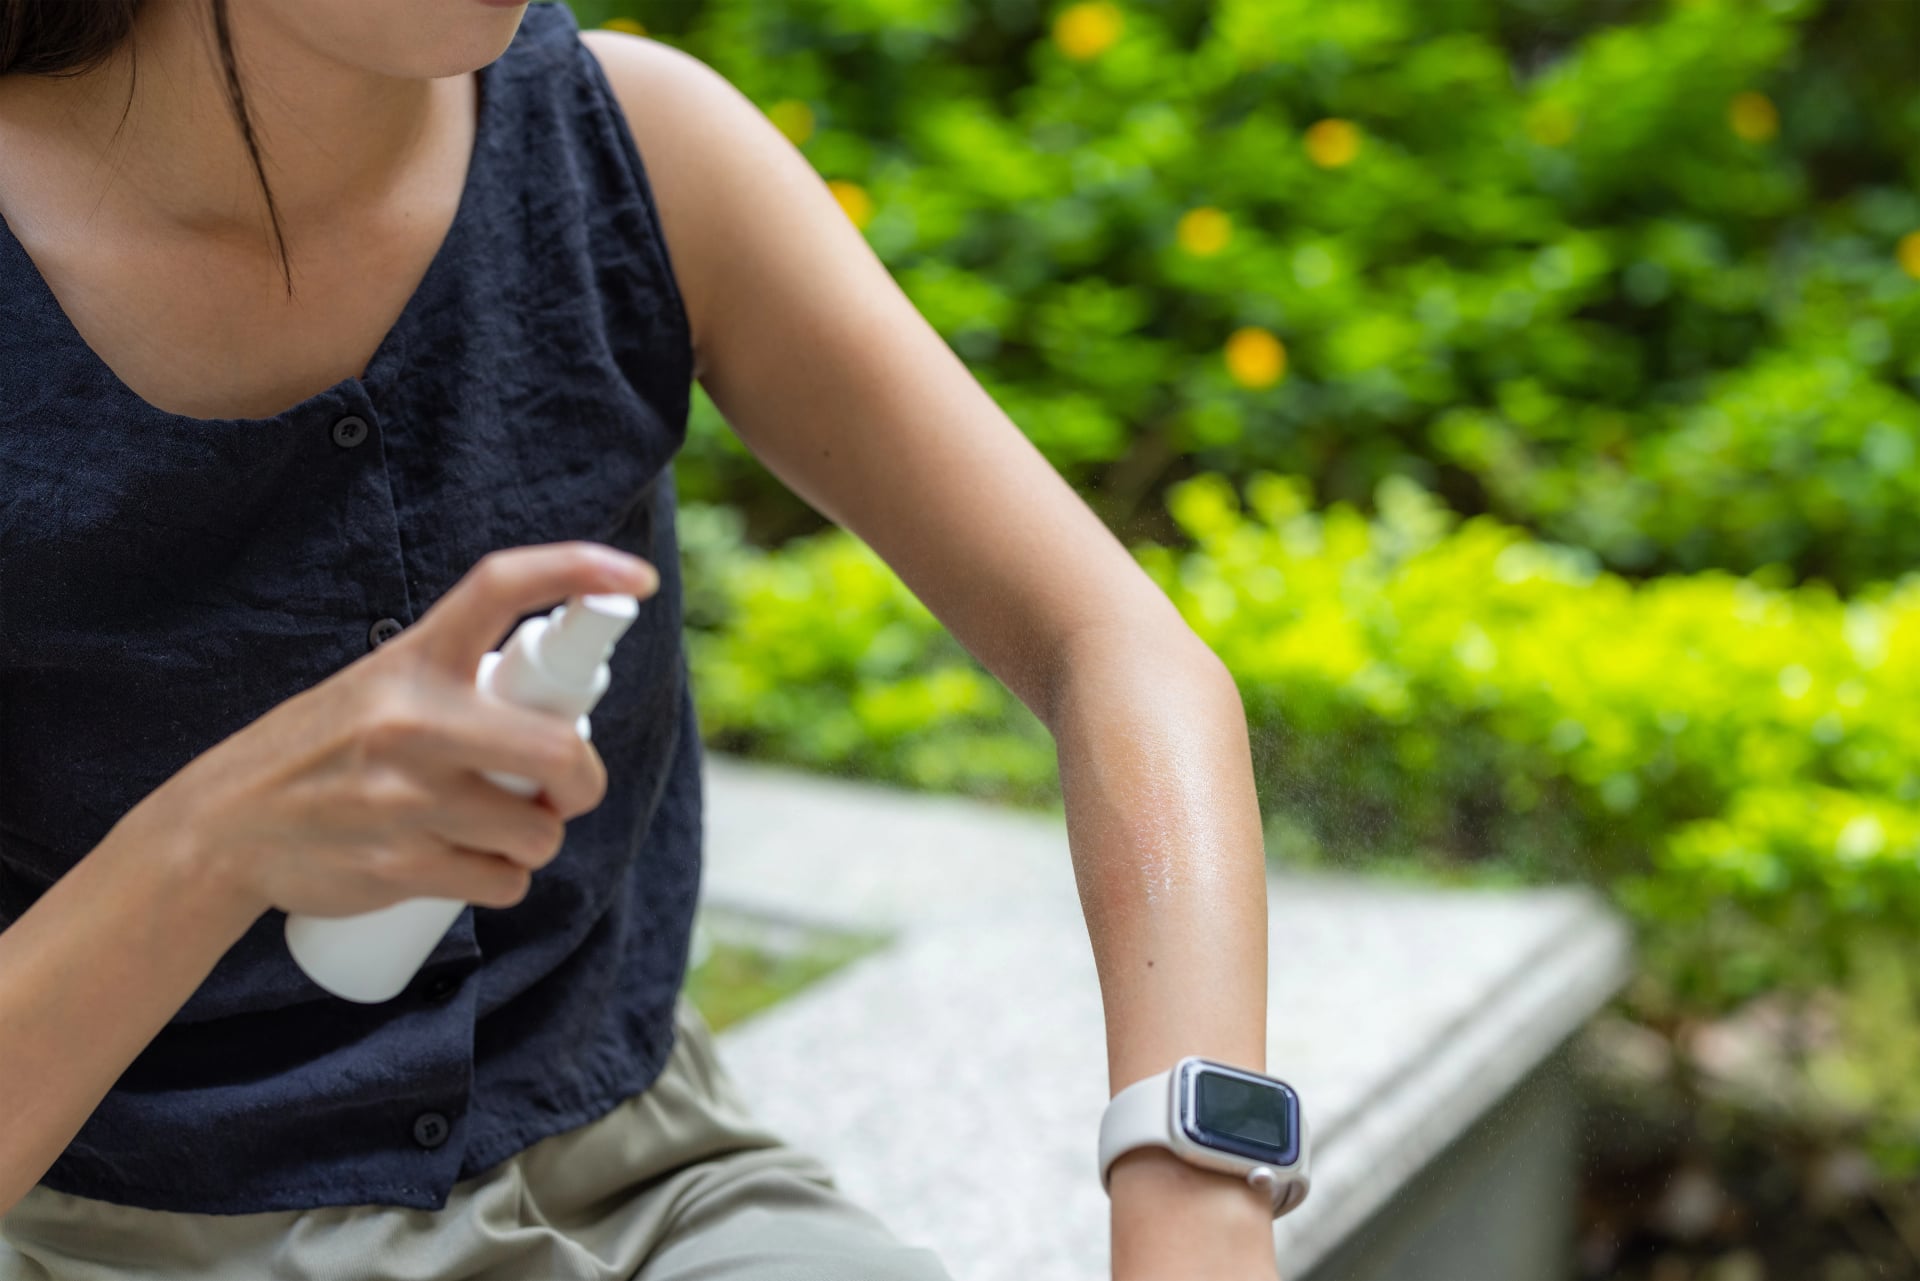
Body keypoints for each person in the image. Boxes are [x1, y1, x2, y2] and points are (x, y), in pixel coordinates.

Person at [0, 2, 1281, 1277]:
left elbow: (1115, 648)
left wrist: (1194, 1184)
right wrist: (212, 844)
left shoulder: (631, 145)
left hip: (651, 1194)